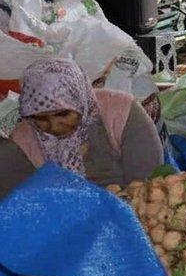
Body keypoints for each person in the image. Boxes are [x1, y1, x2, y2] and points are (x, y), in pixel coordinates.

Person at [0, 59, 162, 198]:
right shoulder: (22, 140)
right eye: (41, 119)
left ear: (80, 101)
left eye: (63, 114)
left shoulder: (121, 112)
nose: (54, 126)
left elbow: (148, 183)